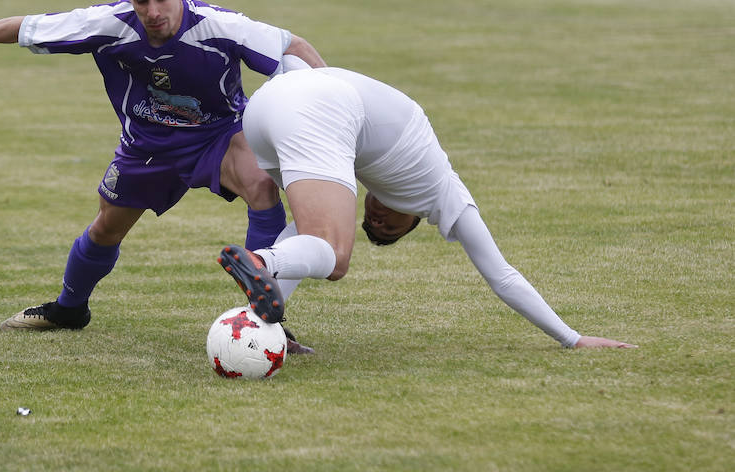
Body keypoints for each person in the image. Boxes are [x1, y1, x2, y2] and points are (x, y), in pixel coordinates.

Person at [0, 0, 325, 351]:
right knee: (105, 228)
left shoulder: (222, 26)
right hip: (146, 146)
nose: (152, 11)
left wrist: (331, 100)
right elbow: (26, 27)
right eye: (141, 1)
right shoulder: (109, 24)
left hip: (218, 135)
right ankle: (69, 310)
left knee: (262, 186)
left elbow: (294, 46)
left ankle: (265, 321)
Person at [218, 65, 636, 350]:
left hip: (266, 108)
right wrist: (572, 337)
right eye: (386, 227)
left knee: (312, 237)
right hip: (307, 103)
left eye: (374, 227)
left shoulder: (389, 174)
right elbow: (503, 275)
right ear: (414, 219)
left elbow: (501, 277)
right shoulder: (443, 192)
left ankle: (262, 325)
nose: (376, 221)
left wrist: (570, 337)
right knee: (333, 254)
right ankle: (263, 260)